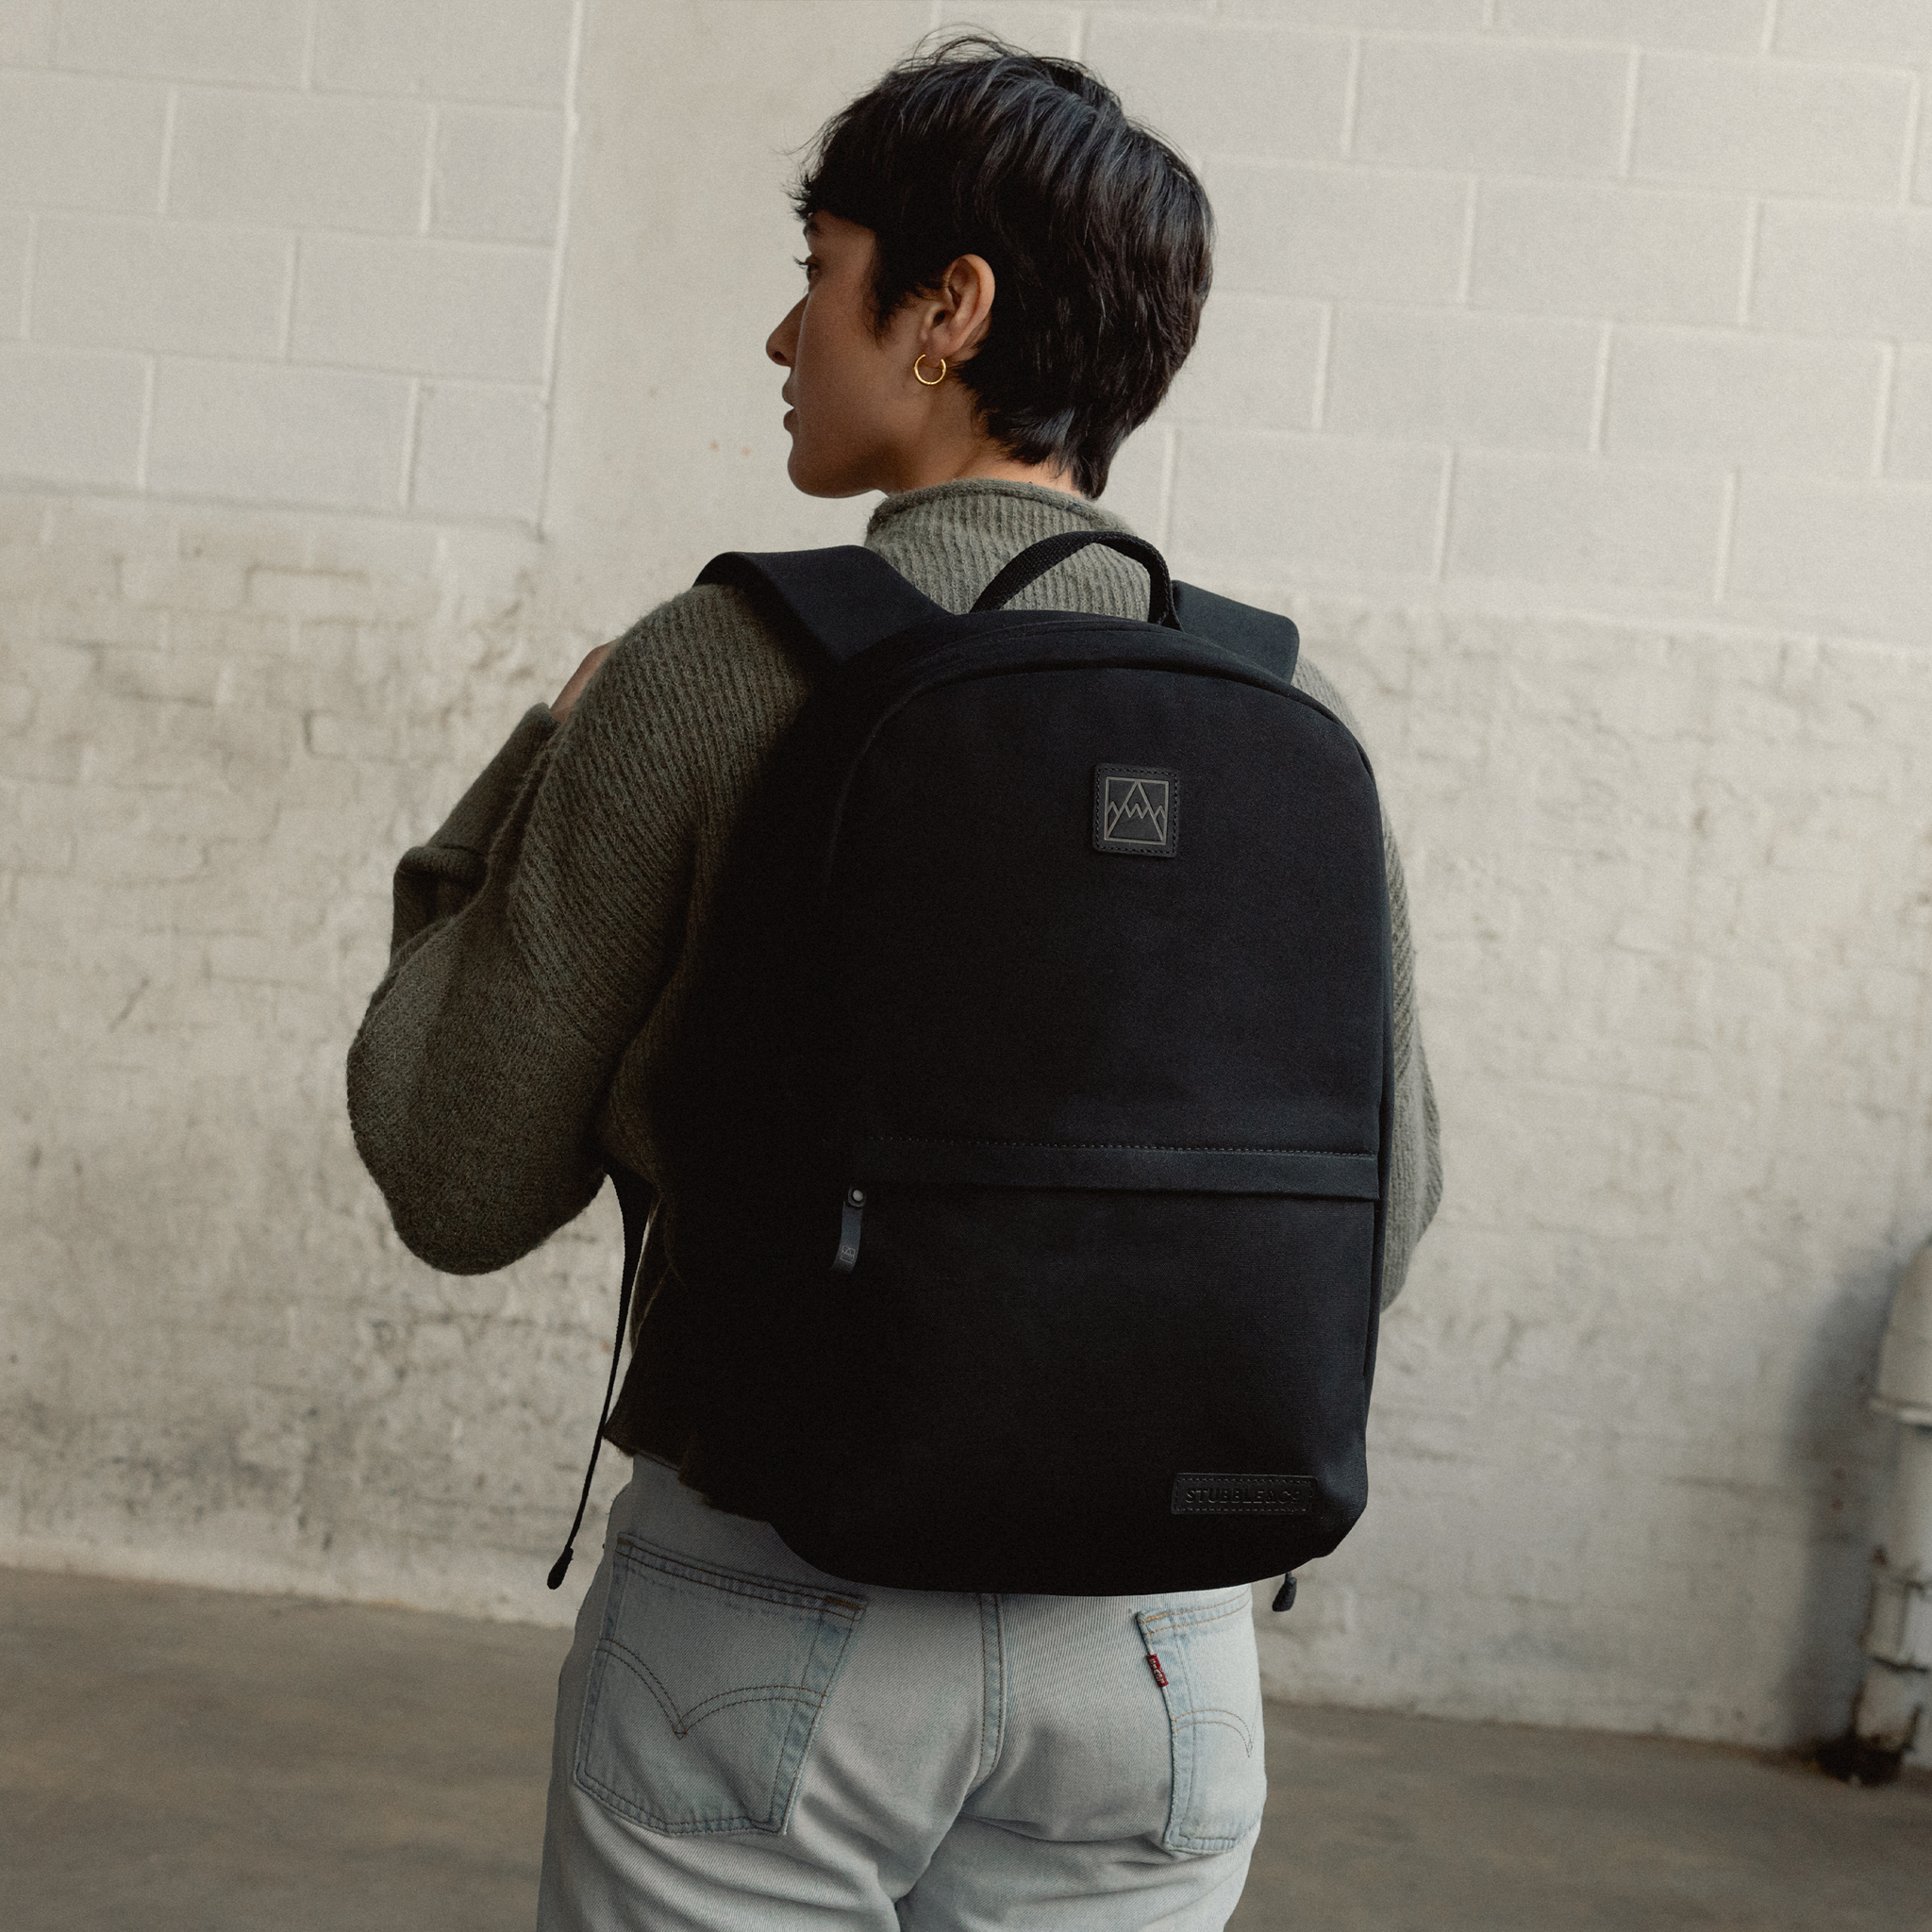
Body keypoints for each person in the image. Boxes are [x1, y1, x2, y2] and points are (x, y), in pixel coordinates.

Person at [347, 35, 1441, 1932]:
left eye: (817, 269)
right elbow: (1388, 1209)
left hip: (774, 1626)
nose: (786, 336)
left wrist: (537, 759)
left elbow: (456, 1175)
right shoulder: (1285, 708)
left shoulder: (713, 665)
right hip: (1165, 1666)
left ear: (947, 309)